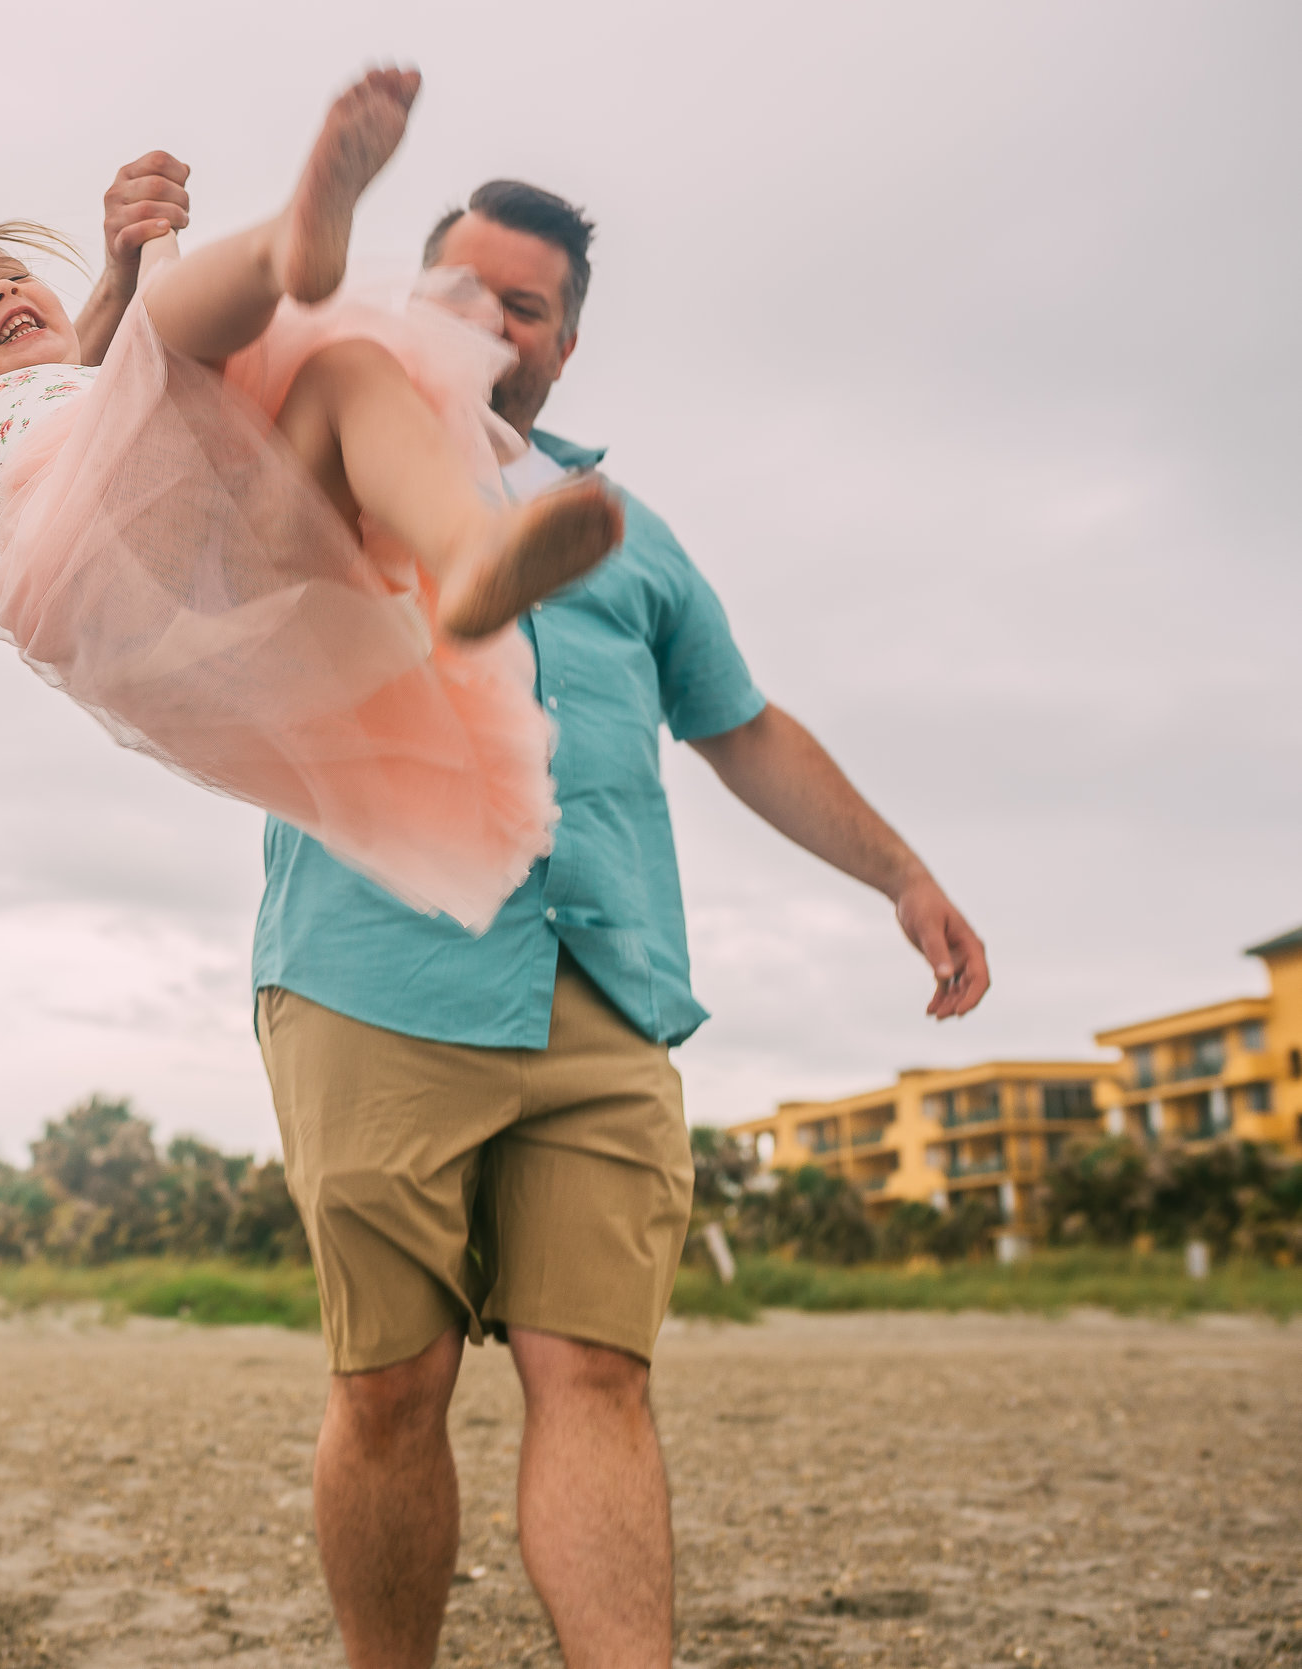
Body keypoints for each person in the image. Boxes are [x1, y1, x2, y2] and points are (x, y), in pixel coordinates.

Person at [257, 179, 994, 1669]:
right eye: (457, 289)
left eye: (521, 304)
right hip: (375, 972)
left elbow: (745, 724)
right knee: (391, 1387)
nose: (486, 320)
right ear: (409, 300)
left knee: (596, 1369)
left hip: (606, 988)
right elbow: (155, 459)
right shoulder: (322, 451)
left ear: (564, 344)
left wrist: (903, 873)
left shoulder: (627, 530)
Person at [0, 71, 628, 931]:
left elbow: (131, 349)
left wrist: (147, 238)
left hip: (247, 556)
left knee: (346, 370)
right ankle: (284, 245)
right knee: (166, 337)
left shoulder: (103, 376)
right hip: (102, 572)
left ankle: (472, 549)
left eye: (6, 270)